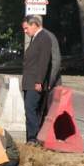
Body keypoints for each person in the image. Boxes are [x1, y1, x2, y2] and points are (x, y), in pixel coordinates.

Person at [22, 15, 52, 144]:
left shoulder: (44, 37)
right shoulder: (36, 38)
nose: (25, 31)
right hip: (30, 81)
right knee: (30, 110)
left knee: (31, 109)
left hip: (35, 82)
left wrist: (39, 81)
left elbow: (43, 61)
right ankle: (32, 137)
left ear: (34, 25)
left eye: (26, 28)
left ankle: (33, 138)